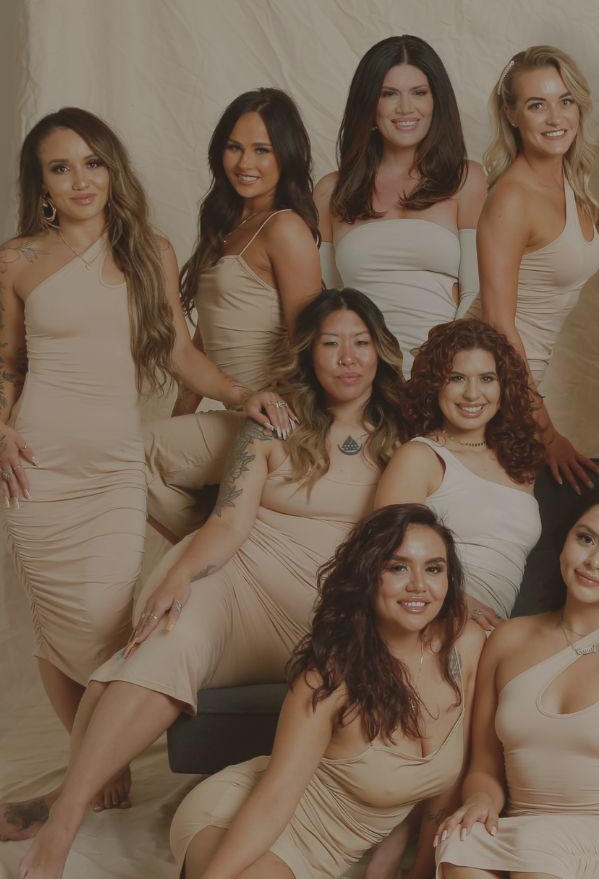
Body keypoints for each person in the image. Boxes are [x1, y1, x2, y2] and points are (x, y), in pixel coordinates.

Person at [10, 288, 404, 878]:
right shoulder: (273, 423)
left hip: (330, 613)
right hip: (243, 587)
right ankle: (63, 823)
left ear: (380, 351)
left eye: (361, 342)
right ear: (308, 355)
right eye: (331, 344)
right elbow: (227, 523)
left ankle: (73, 796)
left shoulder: (406, 434)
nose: (348, 357)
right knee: (168, 636)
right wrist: (179, 575)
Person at [0, 108, 287, 817]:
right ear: (41, 185)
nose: (80, 180)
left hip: (111, 466)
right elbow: (7, 364)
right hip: (37, 464)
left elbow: (180, 352)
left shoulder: (149, 251)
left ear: (112, 170)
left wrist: (242, 394)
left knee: (105, 618)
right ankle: (98, 771)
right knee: (54, 623)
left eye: (93, 163)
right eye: (61, 168)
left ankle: (90, 771)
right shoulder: (16, 259)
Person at [170, 503, 485, 879]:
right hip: (243, 816)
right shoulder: (328, 681)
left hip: (330, 851)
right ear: (367, 576)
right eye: (397, 567)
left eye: (433, 568)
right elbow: (275, 798)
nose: (419, 584)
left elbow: (449, 781)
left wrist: (420, 872)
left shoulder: (464, 647)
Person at [436, 484, 599, 879]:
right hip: (529, 838)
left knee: (539, 851)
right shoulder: (508, 640)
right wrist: (480, 800)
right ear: (564, 541)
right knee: (459, 842)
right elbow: (484, 767)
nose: (594, 561)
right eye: (586, 538)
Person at [145, 87, 323, 542]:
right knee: (144, 470)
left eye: (262, 150)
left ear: (286, 156)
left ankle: (217, 548)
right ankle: (222, 549)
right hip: (239, 410)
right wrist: (180, 415)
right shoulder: (226, 225)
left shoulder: (285, 227)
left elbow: (308, 343)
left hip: (272, 418)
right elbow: (204, 337)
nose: (245, 163)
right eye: (234, 147)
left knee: (130, 458)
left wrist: (296, 431)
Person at [468, 45, 599, 492]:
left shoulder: (570, 181)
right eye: (536, 105)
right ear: (511, 114)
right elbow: (497, 325)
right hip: (485, 380)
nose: (555, 117)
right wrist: (545, 431)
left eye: (565, 101)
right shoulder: (512, 198)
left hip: (520, 385)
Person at [316, 34, 486, 376]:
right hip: (356, 376)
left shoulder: (466, 180)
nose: (405, 108)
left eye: (419, 93)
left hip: (442, 373)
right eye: (388, 94)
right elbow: (322, 303)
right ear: (368, 104)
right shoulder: (332, 191)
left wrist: (440, 367)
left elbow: (476, 294)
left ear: (437, 101)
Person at [375, 318, 544, 631]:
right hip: (429, 616)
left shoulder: (520, 463)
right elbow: (381, 555)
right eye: (457, 378)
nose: (472, 394)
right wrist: (461, 603)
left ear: (504, 386)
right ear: (435, 384)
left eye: (487, 378)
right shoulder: (420, 457)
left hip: (492, 630)